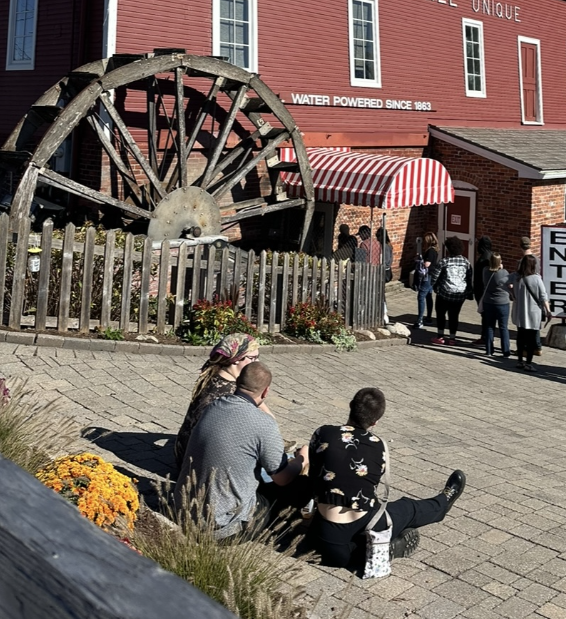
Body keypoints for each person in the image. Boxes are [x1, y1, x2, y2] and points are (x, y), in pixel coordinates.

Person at [307, 387, 466, 570]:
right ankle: (442, 503)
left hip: (323, 537)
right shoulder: (378, 446)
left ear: (350, 406)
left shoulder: (323, 433)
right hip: (366, 523)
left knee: (344, 545)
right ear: (375, 421)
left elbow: (314, 473)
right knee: (407, 508)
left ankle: (366, 554)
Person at [175, 361, 307, 539]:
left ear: (237, 382)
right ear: (266, 391)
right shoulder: (264, 423)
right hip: (222, 529)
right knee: (290, 487)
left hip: (181, 512)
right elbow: (282, 478)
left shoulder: (213, 406)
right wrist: (301, 460)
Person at [173, 332, 261, 471]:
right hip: (200, 467)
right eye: (252, 358)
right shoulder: (231, 393)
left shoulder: (214, 373)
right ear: (236, 359)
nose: (256, 363)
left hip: (183, 453)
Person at [510, 253, 551, 371]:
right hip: (533, 313)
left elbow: (503, 282)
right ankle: (528, 363)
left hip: (520, 312)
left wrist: (512, 294)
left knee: (520, 337)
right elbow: (543, 296)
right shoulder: (537, 279)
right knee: (532, 339)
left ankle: (519, 361)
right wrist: (548, 311)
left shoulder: (516, 278)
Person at [429, 237, 472, 345]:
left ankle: (440, 336)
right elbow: (469, 277)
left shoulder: (444, 261)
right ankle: (452, 338)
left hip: (444, 293)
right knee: (454, 315)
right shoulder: (466, 262)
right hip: (459, 294)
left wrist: (434, 286)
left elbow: (434, 277)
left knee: (441, 314)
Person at [481, 252, 511, 357]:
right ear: (499, 262)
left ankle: (489, 350)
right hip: (502, 303)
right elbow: (509, 285)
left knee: (489, 326)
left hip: (488, 302)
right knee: (503, 327)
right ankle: (506, 351)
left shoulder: (485, 271)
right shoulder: (504, 273)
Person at [414, 232, 437, 329]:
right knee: (428, 296)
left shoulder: (430, 251)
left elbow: (427, 264)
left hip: (427, 276)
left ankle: (420, 320)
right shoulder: (434, 250)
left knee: (421, 296)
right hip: (432, 275)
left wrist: (419, 260)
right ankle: (428, 318)